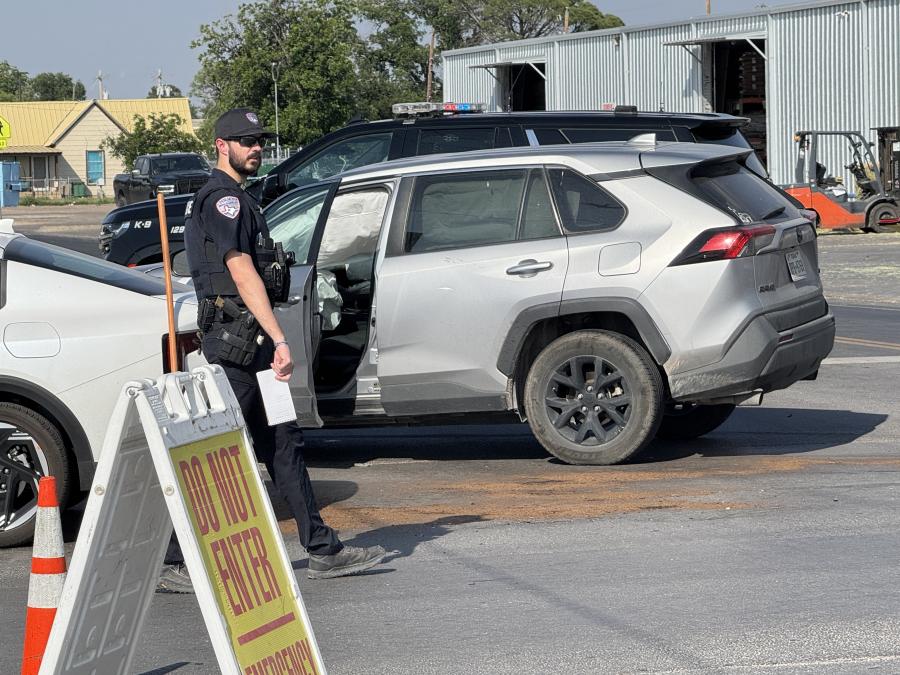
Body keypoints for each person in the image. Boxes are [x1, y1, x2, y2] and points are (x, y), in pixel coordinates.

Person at [157, 108, 385, 593]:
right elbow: (240, 271)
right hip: (239, 347)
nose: (255, 147)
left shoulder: (242, 198)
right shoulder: (223, 200)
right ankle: (175, 558)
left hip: (255, 346)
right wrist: (280, 337)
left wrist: (272, 340)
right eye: (244, 140)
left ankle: (323, 549)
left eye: (258, 139)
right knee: (218, 455)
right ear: (222, 146)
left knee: (284, 445)